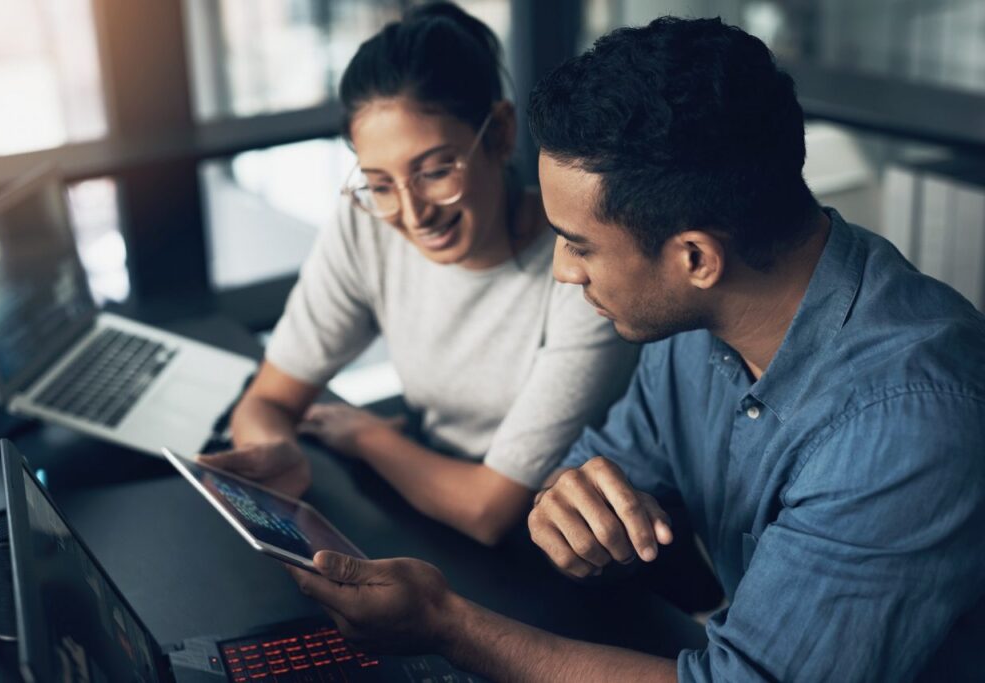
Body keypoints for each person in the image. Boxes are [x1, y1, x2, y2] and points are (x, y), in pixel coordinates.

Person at [284, 16, 985, 682]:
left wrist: (446, 624)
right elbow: (598, 469)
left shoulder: (909, 423)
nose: (562, 269)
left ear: (694, 257)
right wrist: (571, 508)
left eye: (580, 244)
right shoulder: (693, 322)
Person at [202, 3, 636, 545]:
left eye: (434, 171)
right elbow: (267, 400)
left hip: (565, 550)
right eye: (381, 185)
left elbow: (488, 509)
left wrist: (365, 436)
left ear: (499, 134)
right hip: (427, 504)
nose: (411, 215)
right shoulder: (367, 227)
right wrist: (275, 451)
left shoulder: (580, 269)